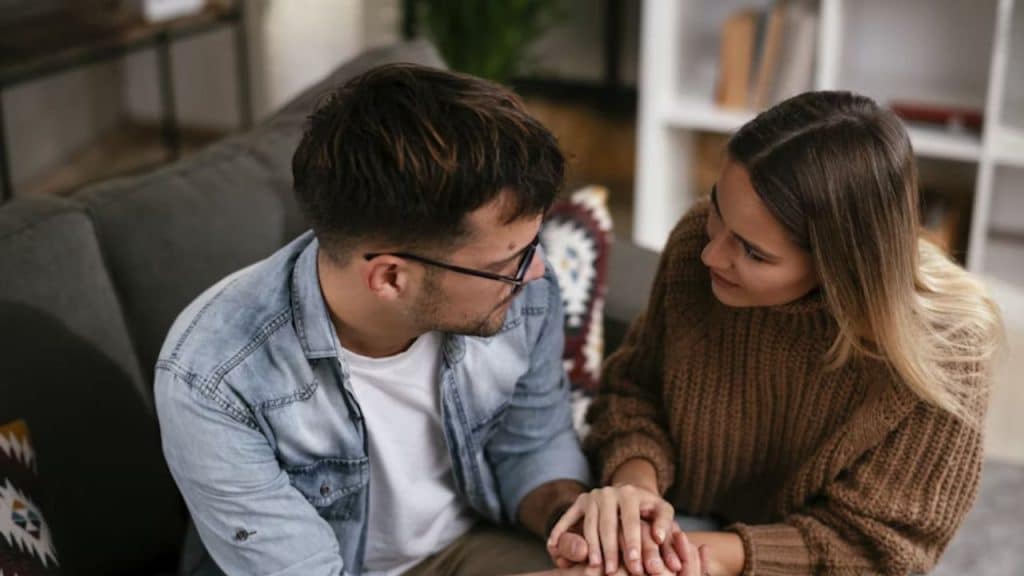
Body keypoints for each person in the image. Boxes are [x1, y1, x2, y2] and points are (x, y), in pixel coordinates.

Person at [154, 63, 594, 576]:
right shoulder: (214, 378)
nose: (537, 270)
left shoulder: (523, 293)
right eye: (506, 263)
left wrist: (575, 520)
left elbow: (533, 444)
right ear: (389, 278)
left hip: (464, 548)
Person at [548, 91, 1004, 576]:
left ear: (838, 267)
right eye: (716, 210)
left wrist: (698, 555)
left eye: (754, 253)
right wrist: (634, 489)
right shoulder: (693, 249)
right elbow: (635, 391)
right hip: (679, 528)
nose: (712, 256)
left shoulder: (945, 350)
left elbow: (879, 547)